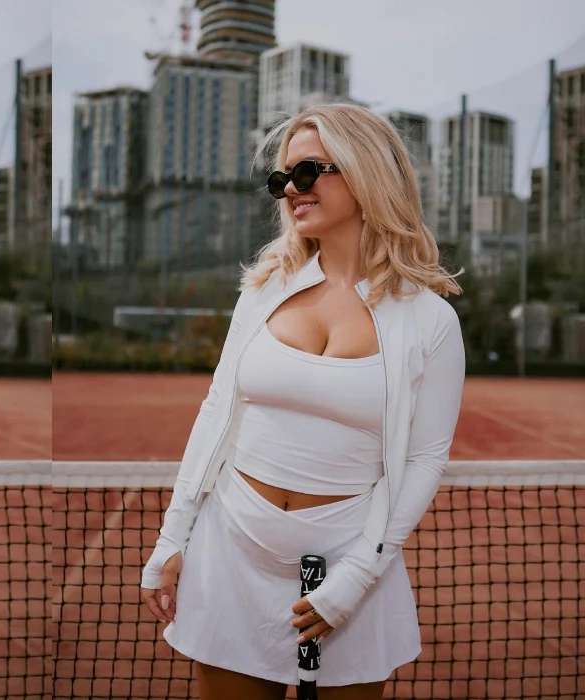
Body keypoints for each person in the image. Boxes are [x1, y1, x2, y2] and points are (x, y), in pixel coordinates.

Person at [138, 103, 466, 700]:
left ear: (366, 173)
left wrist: (359, 574)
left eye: (309, 171)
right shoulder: (264, 289)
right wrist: (173, 536)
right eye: (282, 177)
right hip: (232, 547)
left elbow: (424, 459)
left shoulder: (430, 320)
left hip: (348, 562)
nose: (291, 188)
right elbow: (217, 411)